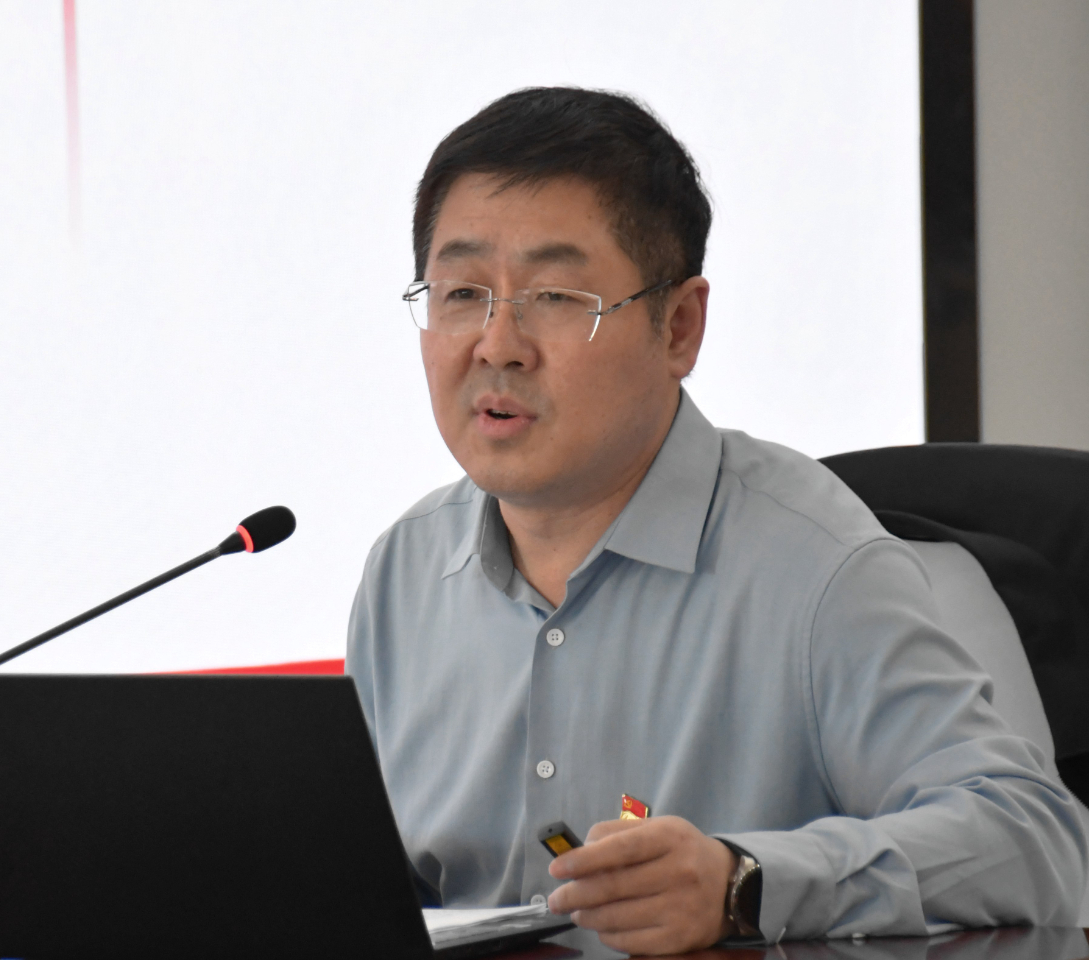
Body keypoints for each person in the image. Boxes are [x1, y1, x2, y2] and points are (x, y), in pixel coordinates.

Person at [345, 87, 1087, 955]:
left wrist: (745, 883)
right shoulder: (404, 574)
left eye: (554, 296)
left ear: (680, 327)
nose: (497, 344)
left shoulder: (814, 565)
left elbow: (1034, 840)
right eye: (463, 291)